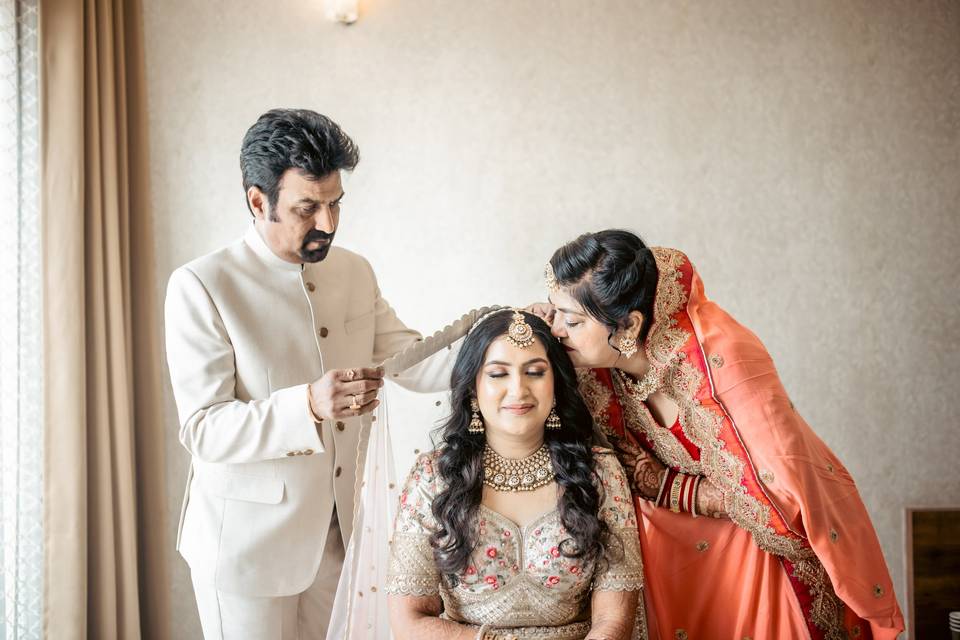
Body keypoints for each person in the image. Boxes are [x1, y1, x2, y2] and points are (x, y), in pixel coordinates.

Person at [539, 229, 905, 639]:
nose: (556, 330)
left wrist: (668, 486)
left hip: (762, 561)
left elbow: (779, 497)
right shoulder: (600, 367)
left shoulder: (722, 361)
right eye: (555, 314)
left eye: (571, 320)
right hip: (682, 559)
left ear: (628, 326)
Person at [164, 108, 436, 639]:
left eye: (336, 204)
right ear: (258, 200)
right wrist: (307, 405)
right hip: (244, 553)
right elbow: (203, 428)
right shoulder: (201, 284)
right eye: (308, 208)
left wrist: (507, 336)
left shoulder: (354, 270)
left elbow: (413, 357)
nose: (328, 223)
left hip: (340, 541)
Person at [386, 308, 647, 640]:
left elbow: (613, 619)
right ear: (472, 389)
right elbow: (409, 621)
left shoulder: (598, 472)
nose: (518, 389)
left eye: (535, 372)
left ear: (556, 386)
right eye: (498, 374)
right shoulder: (433, 478)